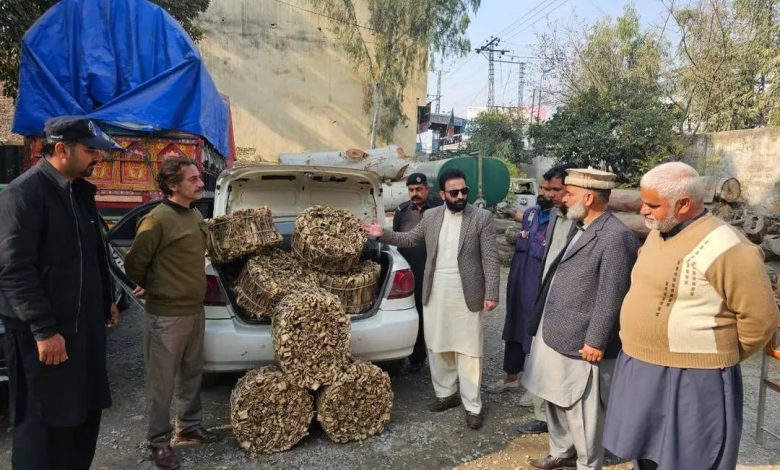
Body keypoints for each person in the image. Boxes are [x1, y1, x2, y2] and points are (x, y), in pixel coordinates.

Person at [603, 162, 779, 470]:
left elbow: (761, 318)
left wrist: (714, 355)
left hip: (693, 376)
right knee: (647, 456)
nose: (643, 210)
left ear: (684, 204)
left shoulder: (729, 248)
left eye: (652, 204)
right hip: (642, 367)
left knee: (688, 461)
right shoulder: (661, 232)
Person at [0, 116, 121, 469]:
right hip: (44, 340)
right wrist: (44, 330)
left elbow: (93, 252)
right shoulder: (24, 195)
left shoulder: (80, 193)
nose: (98, 158)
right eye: (90, 150)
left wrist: (106, 300)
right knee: (42, 427)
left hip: (83, 334)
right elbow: (14, 270)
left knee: (82, 417)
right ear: (61, 150)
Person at [363, 168, 500, 430]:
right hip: (435, 290)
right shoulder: (431, 215)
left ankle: (473, 406)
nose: (460, 196)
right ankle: (445, 395)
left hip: (467, 292)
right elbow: (410, 238)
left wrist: (492, 292)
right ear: (443, 194)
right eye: (454, 192)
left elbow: (491, 259)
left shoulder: (481, 217)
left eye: (464, 191)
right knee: (438, 345)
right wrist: (384, 234)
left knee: (469, 350)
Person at [522, 168, 640, 470]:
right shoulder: (580, 225)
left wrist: (596, 340)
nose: (563, 197)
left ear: (588, 198)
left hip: (583, 339)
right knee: (554, 395)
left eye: (570, 193)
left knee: (583, 409)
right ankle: (561, 451)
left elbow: (612, 294)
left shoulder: (616, 237)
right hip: (555, 329)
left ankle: (589, 463)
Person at [125, 156, 221, 470]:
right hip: (166, 316)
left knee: (192, 374)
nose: (199, 183)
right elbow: (135, 263)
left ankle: (189, 426)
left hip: (194, 310)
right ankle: (158, 442)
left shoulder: (192, 215)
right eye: (192, 179)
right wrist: (151, 284)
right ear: (172, 185)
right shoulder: (157, 220)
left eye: (198, 178)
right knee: (161, 383)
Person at [516, 163, 575, 435]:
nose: (550, 195)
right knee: (540, 358)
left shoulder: (583, 222)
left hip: (569, 304)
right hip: (545, 296)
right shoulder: (553, 217)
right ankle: (543, 417)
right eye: (547, 189)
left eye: (556, 189)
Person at [487, 177, 555, 394]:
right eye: (542, 188)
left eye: (549, 189)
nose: (544, 193)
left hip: (540, 286)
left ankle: (534, 387)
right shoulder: (532, 214)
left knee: (536, 334)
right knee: (514, 327)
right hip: (518, 282)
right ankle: (511, 377)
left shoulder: (559, 221)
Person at [392, 172, 443, 373]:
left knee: (431, 315)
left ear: (427, 190)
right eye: (411, 190)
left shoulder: (440, 208)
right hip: (409, 272)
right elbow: (397, 237)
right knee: (410, 314)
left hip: (433, 272)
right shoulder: (402, 211)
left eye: (419, 190)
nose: (415, 193)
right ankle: (410, 356)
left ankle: (431, 356)